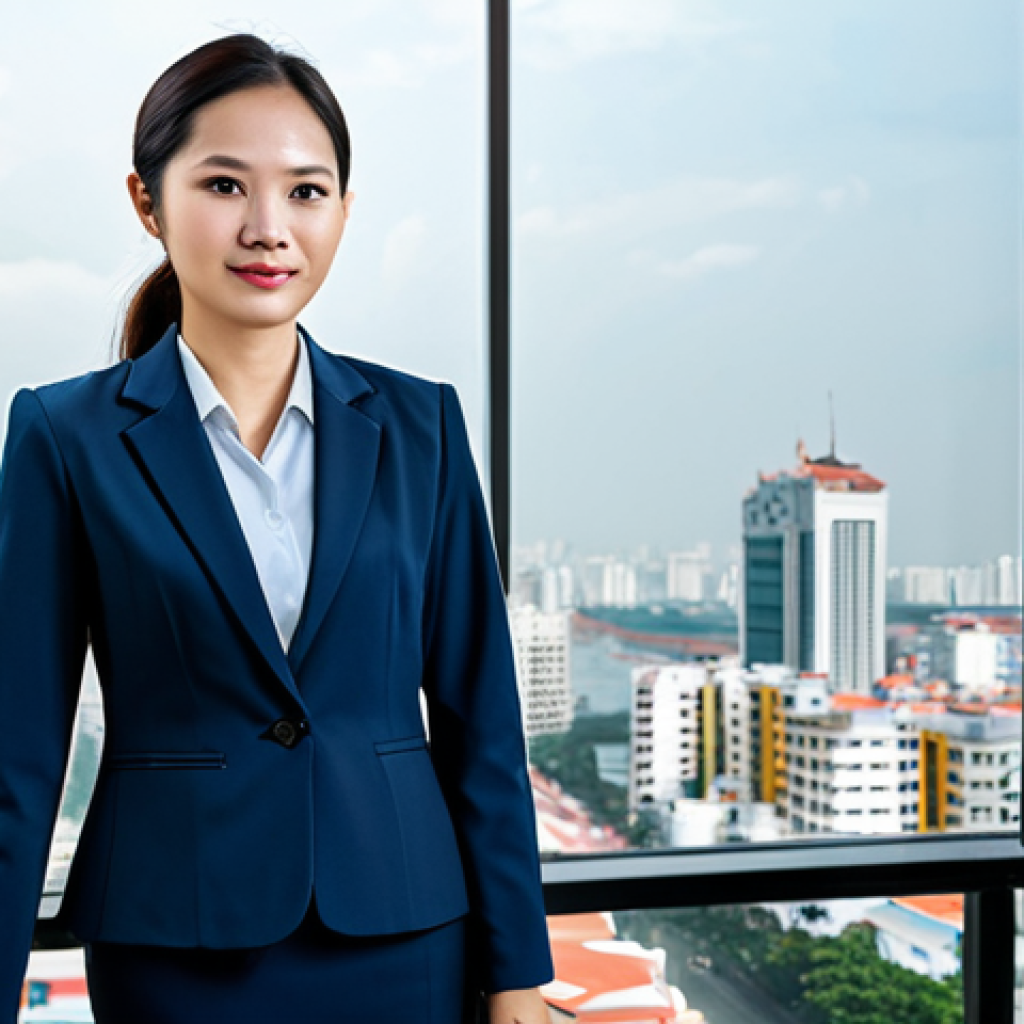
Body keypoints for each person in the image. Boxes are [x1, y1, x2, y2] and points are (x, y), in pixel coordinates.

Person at [0, 32, 555, 1024]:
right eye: (224, 185)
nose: (269, 228)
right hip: (176, 938)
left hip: (405, 929)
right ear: (146, 201)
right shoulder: (63, 434)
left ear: (344, 208)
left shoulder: (420, 424)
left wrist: (517, 976)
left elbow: (482, 724)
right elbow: (17, 753)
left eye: (306, 191)